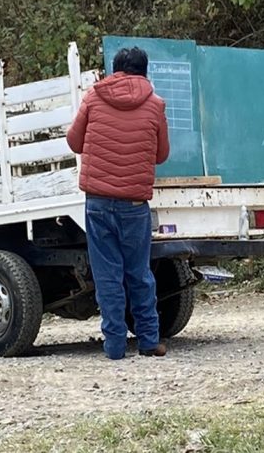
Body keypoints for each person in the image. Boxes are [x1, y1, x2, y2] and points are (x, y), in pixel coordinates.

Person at [67, 47, 170, 359]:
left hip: (98, 202)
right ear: (144, 71)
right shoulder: (155, 105)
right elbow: (161, 154)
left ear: (113, 70)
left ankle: (114, 347)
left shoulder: (93, 98)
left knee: (107, 276)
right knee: (139, 273)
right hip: (135, 203)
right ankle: (149, 342)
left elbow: (73, 141)